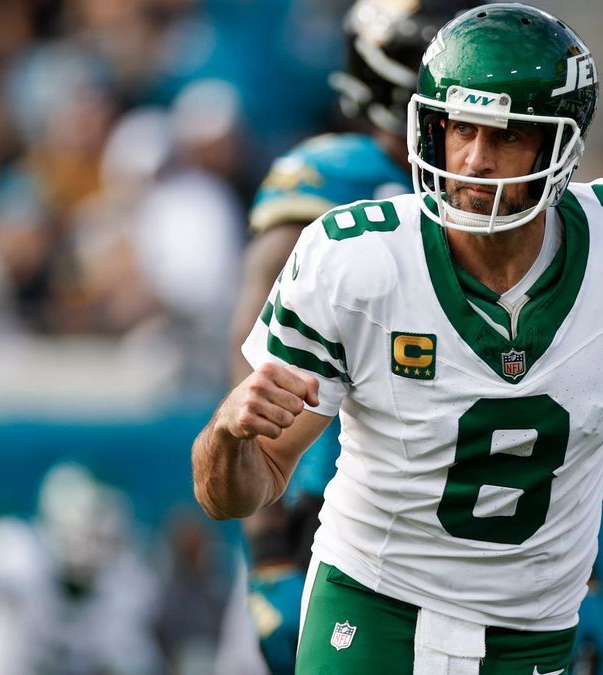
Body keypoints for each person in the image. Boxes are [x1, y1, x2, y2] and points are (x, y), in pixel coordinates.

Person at [193, 4, 603, 674]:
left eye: (505, 136)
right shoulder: (357, 257)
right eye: (460, 128)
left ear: (561, 145)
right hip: (375, 600)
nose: (473, 160)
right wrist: (227, 438)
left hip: (536, 621)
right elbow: (231, 492)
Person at [225, 1, 478, 671]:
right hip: (336, 503)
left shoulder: (486, 190)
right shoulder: (340, 176)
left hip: (456, 510)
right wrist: (270, 545)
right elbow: (256, 356)